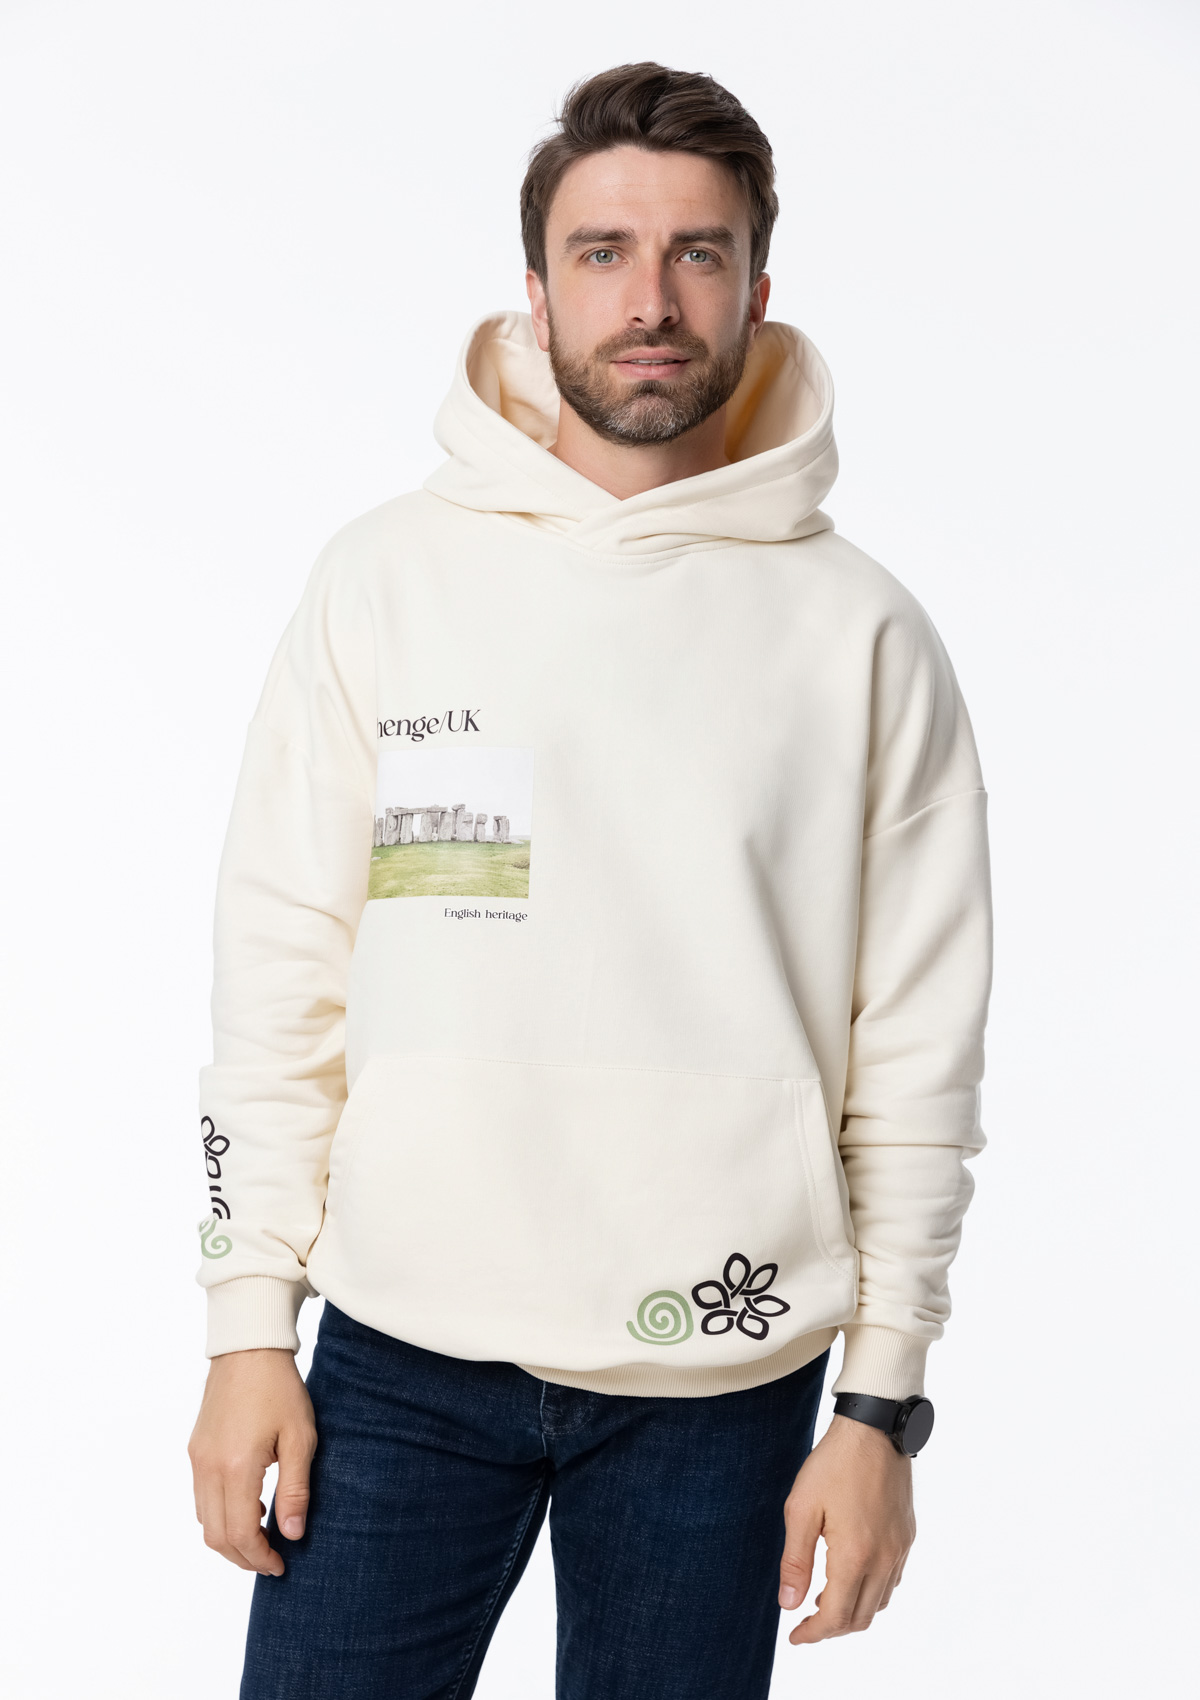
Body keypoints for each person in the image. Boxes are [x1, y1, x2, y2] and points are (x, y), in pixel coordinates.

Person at [188, 61, 992, 1700]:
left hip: (723, 1374)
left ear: (757, 290)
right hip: (399, 1350)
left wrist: (880, 1405)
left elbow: (918, 1049)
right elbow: (282, 972)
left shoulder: (862, 635)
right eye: (605, 251)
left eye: (698, 253)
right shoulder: (387, 582)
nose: (651, 301)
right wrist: (246, 1321)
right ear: (538, 286)